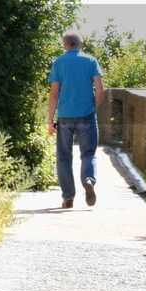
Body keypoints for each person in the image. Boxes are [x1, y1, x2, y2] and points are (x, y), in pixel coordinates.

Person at [47, 30, 105, 208]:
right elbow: (100, 89)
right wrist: (93, 108)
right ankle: (88, 179)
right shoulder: (90, 61)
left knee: (64, 156)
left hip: (65, 115)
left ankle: (68, 197)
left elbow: (54, 92)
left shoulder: (59, 62)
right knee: (88, 154)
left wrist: (50, 120)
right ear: (81, 45)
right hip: (86, 114)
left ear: (65, 45)